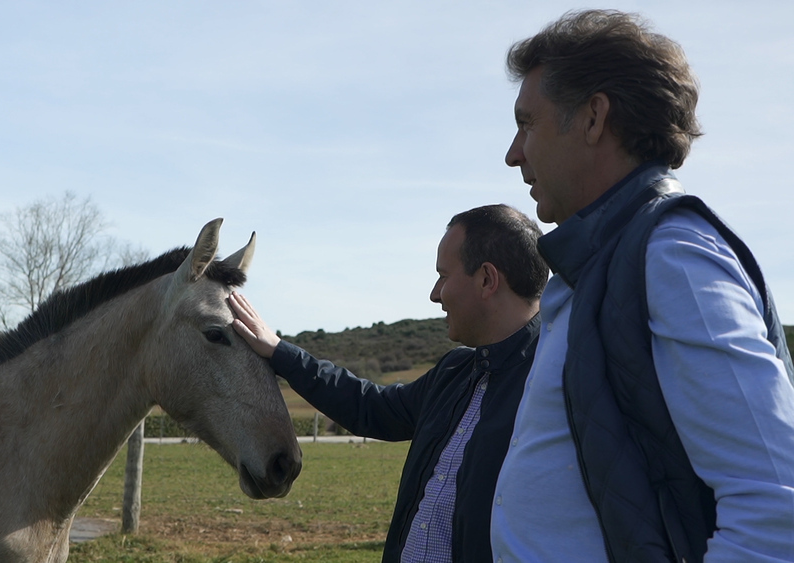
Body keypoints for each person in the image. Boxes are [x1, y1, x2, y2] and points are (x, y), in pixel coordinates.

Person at [491, 9, 794, 563]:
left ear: (593, 117)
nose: (514, 153)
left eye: (527, 123)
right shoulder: (596, 268)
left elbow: (777, 510)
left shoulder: (671, 254)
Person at [227, 204, 549, 563]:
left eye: (443, 275)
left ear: (487, 280)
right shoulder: (455, 372)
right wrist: (279, 352)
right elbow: (371, 408)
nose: (434, 293)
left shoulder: (557, 384)